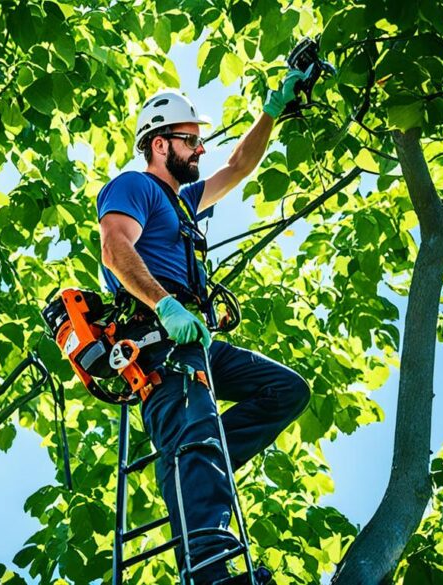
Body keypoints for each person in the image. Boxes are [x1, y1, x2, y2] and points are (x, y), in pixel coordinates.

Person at [96, 71, 314, 584]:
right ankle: (213, 574)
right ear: (159, 143)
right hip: (157, 339)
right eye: (190, 140)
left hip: (194, 338)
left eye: (200, 140)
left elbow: (239, 165)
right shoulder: (135, 187)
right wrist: (166, 304)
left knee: (284, 391)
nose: (200, 150)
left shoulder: (185, 204)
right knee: (194, 439)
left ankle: (188, 465)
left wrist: (274, 110)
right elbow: (115, 248)